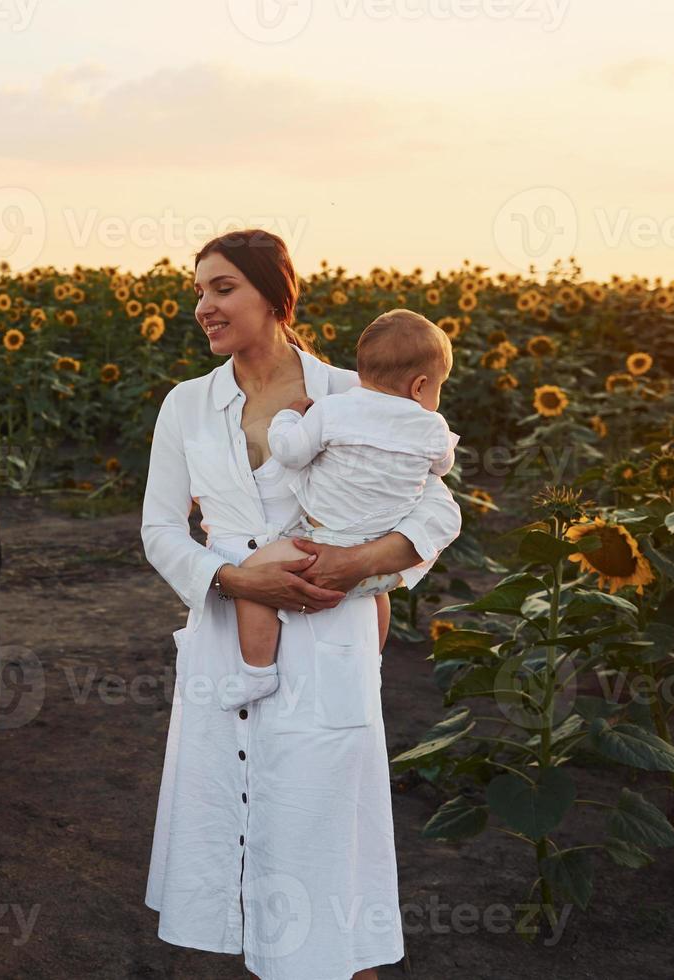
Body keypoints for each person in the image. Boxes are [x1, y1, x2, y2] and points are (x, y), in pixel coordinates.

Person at [141, 229, 461, 980]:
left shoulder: (357, 392)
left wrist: (354, 565)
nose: (204, 307)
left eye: (222, 289)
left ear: (275, 296)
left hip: (329, 645)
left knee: (328, 858)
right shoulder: (186, 406)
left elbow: (436, 514)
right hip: (230, 643)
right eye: (198, 292)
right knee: (239, 844)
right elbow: (159, 530)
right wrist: (236, 580)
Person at [219, 309, 461, 711]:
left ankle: (256, 672)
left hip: (317, 545)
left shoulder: (331, 410)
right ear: (420, 386)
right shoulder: (432, 426)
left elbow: (291, 453)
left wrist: (289, 416)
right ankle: (374, 665)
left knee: (253, 579)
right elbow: (441, 468)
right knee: (378, 600)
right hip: (381, 565)